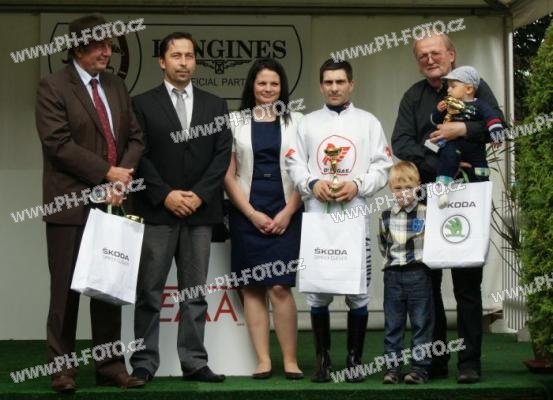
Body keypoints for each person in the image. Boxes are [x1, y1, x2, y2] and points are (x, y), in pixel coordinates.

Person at [35, 14, 145, 393]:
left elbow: (136, 138)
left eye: (109, 45)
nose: (107, 52)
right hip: (70, 205)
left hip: (112, 201)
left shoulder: (116, 85)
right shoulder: (52, 87)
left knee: (108, 288)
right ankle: (62, 370)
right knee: (64, 293)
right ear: (78, 48)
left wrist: (121, 177)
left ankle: (110, 366)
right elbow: (57, 144)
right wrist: (106, 173)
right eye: (99, 45)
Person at [391, 33, 504, 384]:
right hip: (430, 195)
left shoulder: (473, 85)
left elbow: (498, 125)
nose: (429, 59)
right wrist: (440, 162)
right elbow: (401, 142)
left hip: (469, 193)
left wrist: (461, 129)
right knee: (428, 284)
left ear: (451, 55)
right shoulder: (413, 96)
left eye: (435, 52)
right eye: (422, 55)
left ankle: (469, 363)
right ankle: (434, 361)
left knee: (467, 284)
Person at [129, 32, 232, 383]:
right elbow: (139, 155)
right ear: (162, 61)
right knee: (149, 291)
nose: (184, 62)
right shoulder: (141, 104)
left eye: (189, 56)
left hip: (200, 213)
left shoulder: (215, 105)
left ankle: (194, 362)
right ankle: (144, 363)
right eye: (176, 56)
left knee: (195, 293)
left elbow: (222, 155)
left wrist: (200, 195)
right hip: (158, 211)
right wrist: (166, 195)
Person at [286, 59, 393, 383]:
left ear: (351, 84)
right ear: (321, 86)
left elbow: (383, 166)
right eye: (329, 82)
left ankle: (354, 359)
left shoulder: (368, 122)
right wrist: (311, 183)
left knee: (358, 291)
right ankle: (323, 360)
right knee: (317, 291)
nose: (334, 88)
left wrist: (358, 185)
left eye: (340, 82)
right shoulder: (306, 123)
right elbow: (293, 163)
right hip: (317, 216)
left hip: (354, 217)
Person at [224, 58, 304, 380]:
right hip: (247, 211)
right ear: (252, 86)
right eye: (262, 83)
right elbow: (228, 175)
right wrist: (251, 213)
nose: (268, 89)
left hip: (287, 210)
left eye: (274, 83)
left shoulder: (299, 122)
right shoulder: (234, 121)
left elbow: (306, 173)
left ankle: (290, 360)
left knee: (280, 287)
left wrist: (287, 212)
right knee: (252, 287)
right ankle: (262, 360)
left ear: (282, 87)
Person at [378, 161, 433, 384]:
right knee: (393, 324)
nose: (403, 193)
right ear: (391, 189)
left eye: (409, 187)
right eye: (398, 188)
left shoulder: (426, 213)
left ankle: (419, 369)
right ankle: (393, 369)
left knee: (421, 323)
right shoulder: (385, 216)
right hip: (393, 276)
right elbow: (384, 244)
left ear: (418, 186)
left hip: (419, 274)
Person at [427, 65, 504, 207]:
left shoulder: (480, 105)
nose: (448, 90)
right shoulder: (449, 105)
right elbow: (434, 121)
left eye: (453, 86)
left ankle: (481, 197)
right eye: (448, 87)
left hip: (474, 146)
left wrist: (496, 134)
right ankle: (442, 190)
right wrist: (438, 111)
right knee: (447, 156)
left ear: (468, 89)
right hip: (453, 145)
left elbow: (492, 118)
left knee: (479, 166)